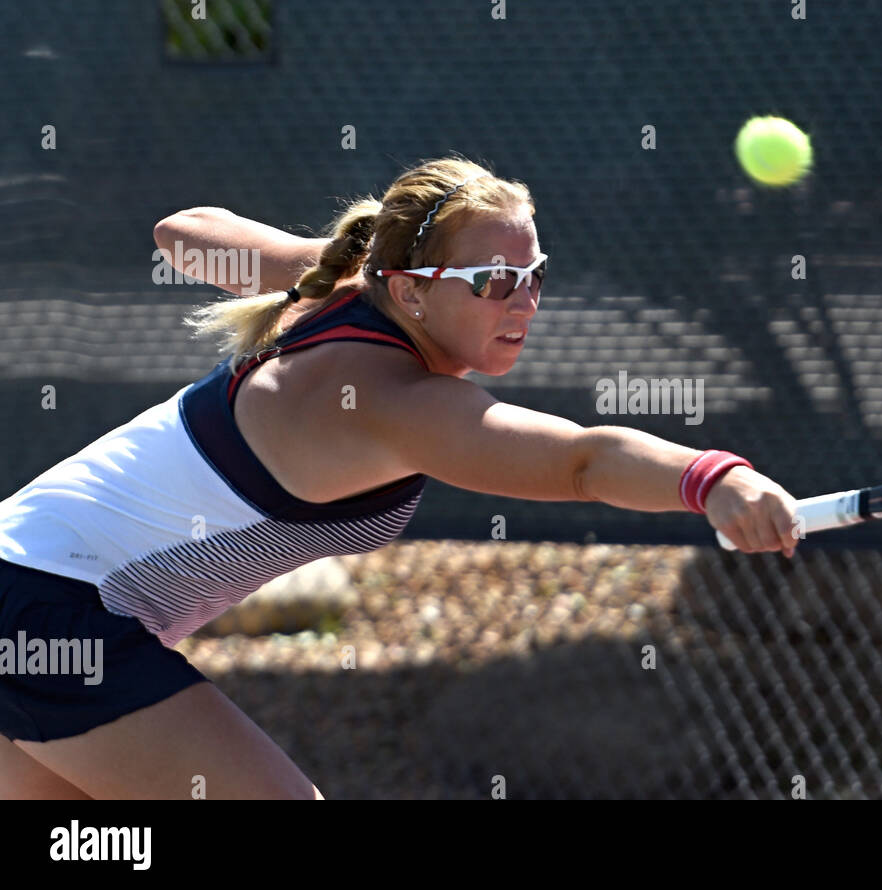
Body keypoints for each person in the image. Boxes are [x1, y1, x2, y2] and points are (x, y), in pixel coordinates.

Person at [0, 156, 802, 799]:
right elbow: (582, 461)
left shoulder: (341, 295)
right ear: (415, 292)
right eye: (493, 282)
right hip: (49, 609)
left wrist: (344, 266)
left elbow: (182, 235)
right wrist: (714, 479)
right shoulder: (391, 401)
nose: (523, 303)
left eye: (535, 275)